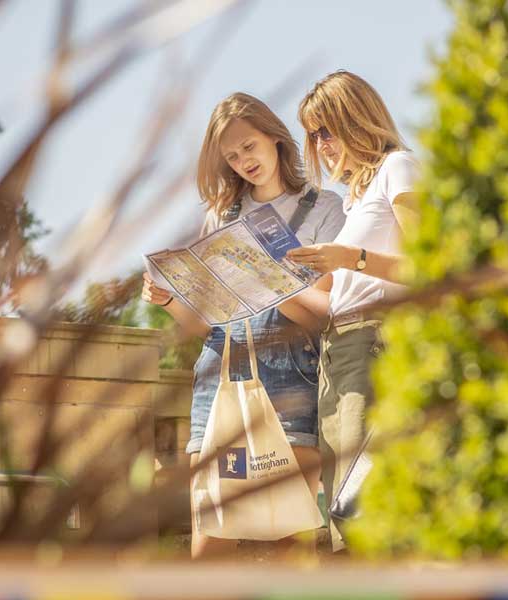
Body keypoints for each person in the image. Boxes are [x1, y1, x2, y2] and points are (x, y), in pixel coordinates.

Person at [140, 92, 345, 558]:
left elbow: (326, 309)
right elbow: (204, 323)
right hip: (221, 373)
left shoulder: (326, 209)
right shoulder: (220, 215)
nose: (243, 162)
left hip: (292, 376)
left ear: (275, 138)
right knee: (209, 539)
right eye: (231, 157)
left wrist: (268, 282)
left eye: (248, 147)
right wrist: (169, 298)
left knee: (291, 534)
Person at [285, 70, 420, 553]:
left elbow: (430, 266)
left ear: (357, 118)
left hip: (374, 348)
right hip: (336, 353)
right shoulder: (354, 199)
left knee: (366, 507)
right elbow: (334, 303)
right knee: (342, 513)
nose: (320, 144)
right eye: (313, 134)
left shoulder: (398, 168)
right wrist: (273, 287)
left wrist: (351, 259)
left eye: (327, 129)